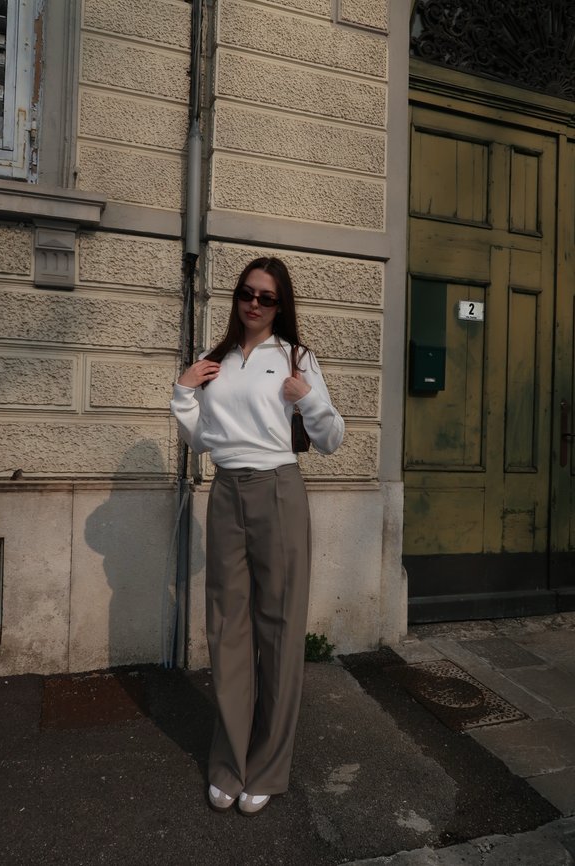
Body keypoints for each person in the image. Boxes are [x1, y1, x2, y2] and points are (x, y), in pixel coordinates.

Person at [170, 256, 344, 815]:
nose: (253, 303)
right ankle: (229, 761)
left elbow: (334, 437)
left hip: (278, 489)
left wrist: (308, 398)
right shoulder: (215, 361)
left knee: (281, 626)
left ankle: (268, 766)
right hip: (226, 491)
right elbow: (203, 442)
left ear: (280, 304)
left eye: (266, 297)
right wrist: (183, 392)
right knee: (226, 625)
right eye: (247, 293)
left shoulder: (296, 358)